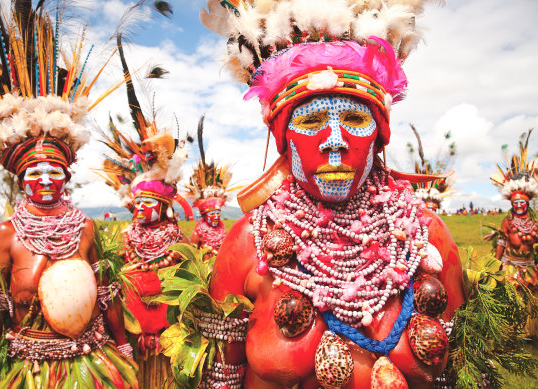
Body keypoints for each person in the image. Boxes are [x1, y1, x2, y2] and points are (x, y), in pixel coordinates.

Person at [185, 1, 465, 387]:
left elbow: (462, 369)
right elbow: (222, 377)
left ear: (379, 136)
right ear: (285, 140)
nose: (335, 141)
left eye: (354, 119)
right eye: (312, 121)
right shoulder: (248, 243)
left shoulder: (425, 235)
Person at [0, 2, 137, 387]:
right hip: (29, 372)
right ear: (21, 179)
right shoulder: (6, 234)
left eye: (55, 170)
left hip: (90, 366)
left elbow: (107, 296)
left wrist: (123, 349)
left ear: (66, 175)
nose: (47, 179)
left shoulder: (85, 227)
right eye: (35, 172)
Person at [96, 31, 189, 388]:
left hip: (169, 330)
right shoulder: (127, 237)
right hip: (130, 329)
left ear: (164, 207)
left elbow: (183, 286)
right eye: (137, 203)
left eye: (148, 203)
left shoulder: (177, 239)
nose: (140, 210)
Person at [490, 130, 538, 337]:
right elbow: (501, 243)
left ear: (527, 203)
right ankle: (512, 331)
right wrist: (494, 266)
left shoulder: (534, 223)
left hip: (529, 267)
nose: (519, 206)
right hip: (511, 268)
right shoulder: (508, 222)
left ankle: (529, 332)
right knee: (511, 298)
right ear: (512, 203)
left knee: (530, 299)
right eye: (515, 203)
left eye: (522, 203)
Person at [186, 117, 235, 252]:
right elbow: (194, 255)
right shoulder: (198, 234)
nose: (215, 217)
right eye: (211, 213)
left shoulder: (222, 230)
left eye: (217, 213)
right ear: (203, 214)